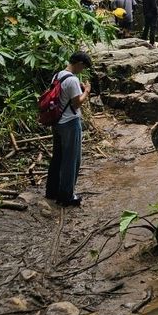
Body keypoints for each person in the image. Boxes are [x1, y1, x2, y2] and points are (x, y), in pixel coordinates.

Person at [45, 51, 92, 206]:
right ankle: (66, 196)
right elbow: (77, 103)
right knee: (71, 159)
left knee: (57, 157)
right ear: (79, 63)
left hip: (57, 122)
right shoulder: (72, 80)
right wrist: (86, 91)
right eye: (83, 67)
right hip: (70, 123)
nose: (82, 70)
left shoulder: (58, 75)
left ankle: (52, 191)